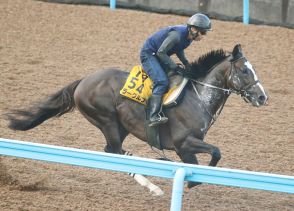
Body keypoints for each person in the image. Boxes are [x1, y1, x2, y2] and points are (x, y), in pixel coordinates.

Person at [140, 13, 212, 127]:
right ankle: (153, 116)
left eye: (205, 33)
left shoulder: (189, 38)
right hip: (149, 54)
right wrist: (176, 67)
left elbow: (179, 49)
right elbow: (161, 52)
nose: (203, 36)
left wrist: (186, 64)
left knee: (177, 76)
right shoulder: (177, 35)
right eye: (202, 32)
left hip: (158, 54)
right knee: (162, 81)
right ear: (193, 29)